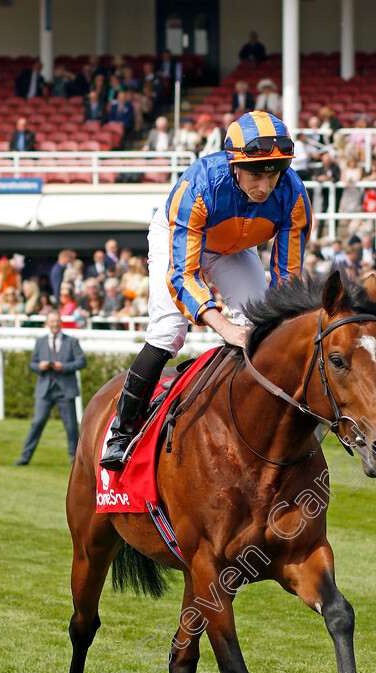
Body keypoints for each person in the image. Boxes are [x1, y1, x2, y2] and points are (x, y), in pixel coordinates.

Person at [100, 110, 312, 470]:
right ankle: (121, 431)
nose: (266, 186)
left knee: (264, 326)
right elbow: (183, 277)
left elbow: (286, 280)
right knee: (169, 331)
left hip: (234, 249)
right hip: (177, 239)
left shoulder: (293, 196)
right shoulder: (197, 186)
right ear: (233, 164)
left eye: (274, 173)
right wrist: (225, 327)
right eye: (256, 174)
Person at [14, 312, 86, 466]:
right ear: (47, 323)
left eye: (57, 321)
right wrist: (40, 366)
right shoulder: (40, 342)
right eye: (52, 321)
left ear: (61, 323)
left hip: (64, 390)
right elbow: (32, 363)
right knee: (37, 423)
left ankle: (75, 460)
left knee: (71, 427)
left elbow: (81, 362)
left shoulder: (71, 341)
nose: (55, 324)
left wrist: (64, 367)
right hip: (45, 390)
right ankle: (24, 458)